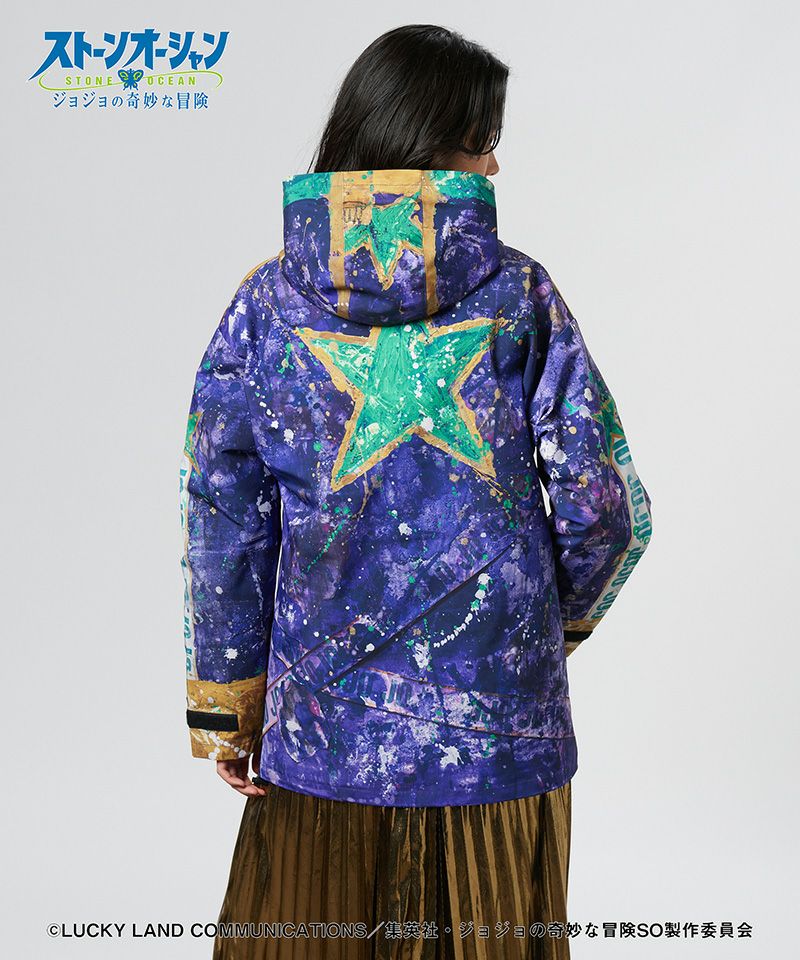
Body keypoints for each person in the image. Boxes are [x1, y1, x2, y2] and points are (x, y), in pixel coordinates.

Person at [178, 23, 653, 960]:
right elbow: (603, 507)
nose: (495, 165)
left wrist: (231, 708)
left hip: (321, 731)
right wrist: (544, 628)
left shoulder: (264, 306)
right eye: (482, 141)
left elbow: (223, 521)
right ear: (428, 142)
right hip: (500, 727)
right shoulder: (522, 295)